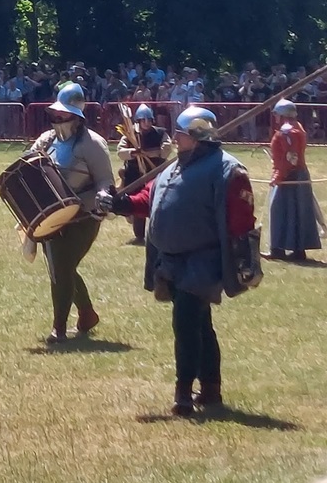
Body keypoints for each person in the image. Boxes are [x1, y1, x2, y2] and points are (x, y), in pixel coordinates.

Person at [111, 106, 261, 415]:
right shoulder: (173, 168)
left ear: (195, 136)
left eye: (180, 133)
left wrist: (242, 261)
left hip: (203, 259)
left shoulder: (228, 170)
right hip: (172, 258)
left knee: (185, 322)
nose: (176, 139)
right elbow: (149, 199)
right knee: (200, 325)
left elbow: (241, 220)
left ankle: (183, 393)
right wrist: (121, 203)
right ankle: (211, 389)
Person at [31, 81, 114, 342]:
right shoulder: (48, 139)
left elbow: (105, 180)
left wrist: (102, 195)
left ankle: (59, 327)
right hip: (50, 213)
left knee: (62, 266)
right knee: (61, 267)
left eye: (63, 114)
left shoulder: (93, 144)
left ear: (76, 116)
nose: (58, 118)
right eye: (56, 114)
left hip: (83, 215)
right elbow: (29, 162)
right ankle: (87, 313)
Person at [266, 99, 320, 262]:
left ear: (282, 115)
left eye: (276, 114)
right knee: (297, 212)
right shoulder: (296, 127)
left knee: (279, 210)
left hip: (291, 175)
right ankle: (297, 250)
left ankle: (279, 249)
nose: (275, 117)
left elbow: (291, 158)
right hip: (298, 173)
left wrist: (278, 176)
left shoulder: (287, 131)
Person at [117, 104, 168, 244]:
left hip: (155, 173)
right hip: (134, 174)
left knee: (158, 203)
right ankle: (139, 236)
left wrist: (151, 153)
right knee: (136, 206)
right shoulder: (130, 134)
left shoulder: (160, 133)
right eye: (143, 120)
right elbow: (120, 152)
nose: (147, 123)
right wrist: (133, 152)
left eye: (149, 120)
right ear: (138, 121)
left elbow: (166, 149)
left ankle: (158, 234)